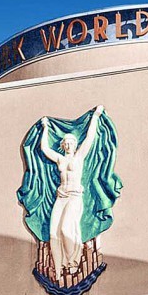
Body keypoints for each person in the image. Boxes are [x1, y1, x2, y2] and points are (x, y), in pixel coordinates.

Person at [40, 105, 104, 281]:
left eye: (71, 142)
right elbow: (45, 149)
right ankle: (58, 268)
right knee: (54, 232)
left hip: (75, 196)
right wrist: (45, 128)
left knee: (66, 228)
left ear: (75, 144)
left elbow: (90, 138)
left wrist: (96, 117)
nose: (69, 144)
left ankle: (73, 262)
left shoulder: (79, 157)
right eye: (66, 142)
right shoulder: (60, 159)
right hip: (61, 197)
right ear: (63, 145)